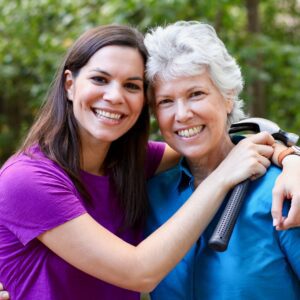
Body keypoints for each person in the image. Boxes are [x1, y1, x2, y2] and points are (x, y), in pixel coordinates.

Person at [0, 24, 277, 300]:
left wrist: (289, 159)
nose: (114, 96)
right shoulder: (27, 179)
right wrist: (222, 177)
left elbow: (213, 142)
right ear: (70, 85)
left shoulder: (129, 163)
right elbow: (139, 271)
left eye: (131, 86)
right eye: (99, 79)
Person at [144, 21, 300, 300]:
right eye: (166, 101)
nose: (182, 114)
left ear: (228, 96)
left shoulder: (283, 191)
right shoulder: (151, 194)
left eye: (196, 94)